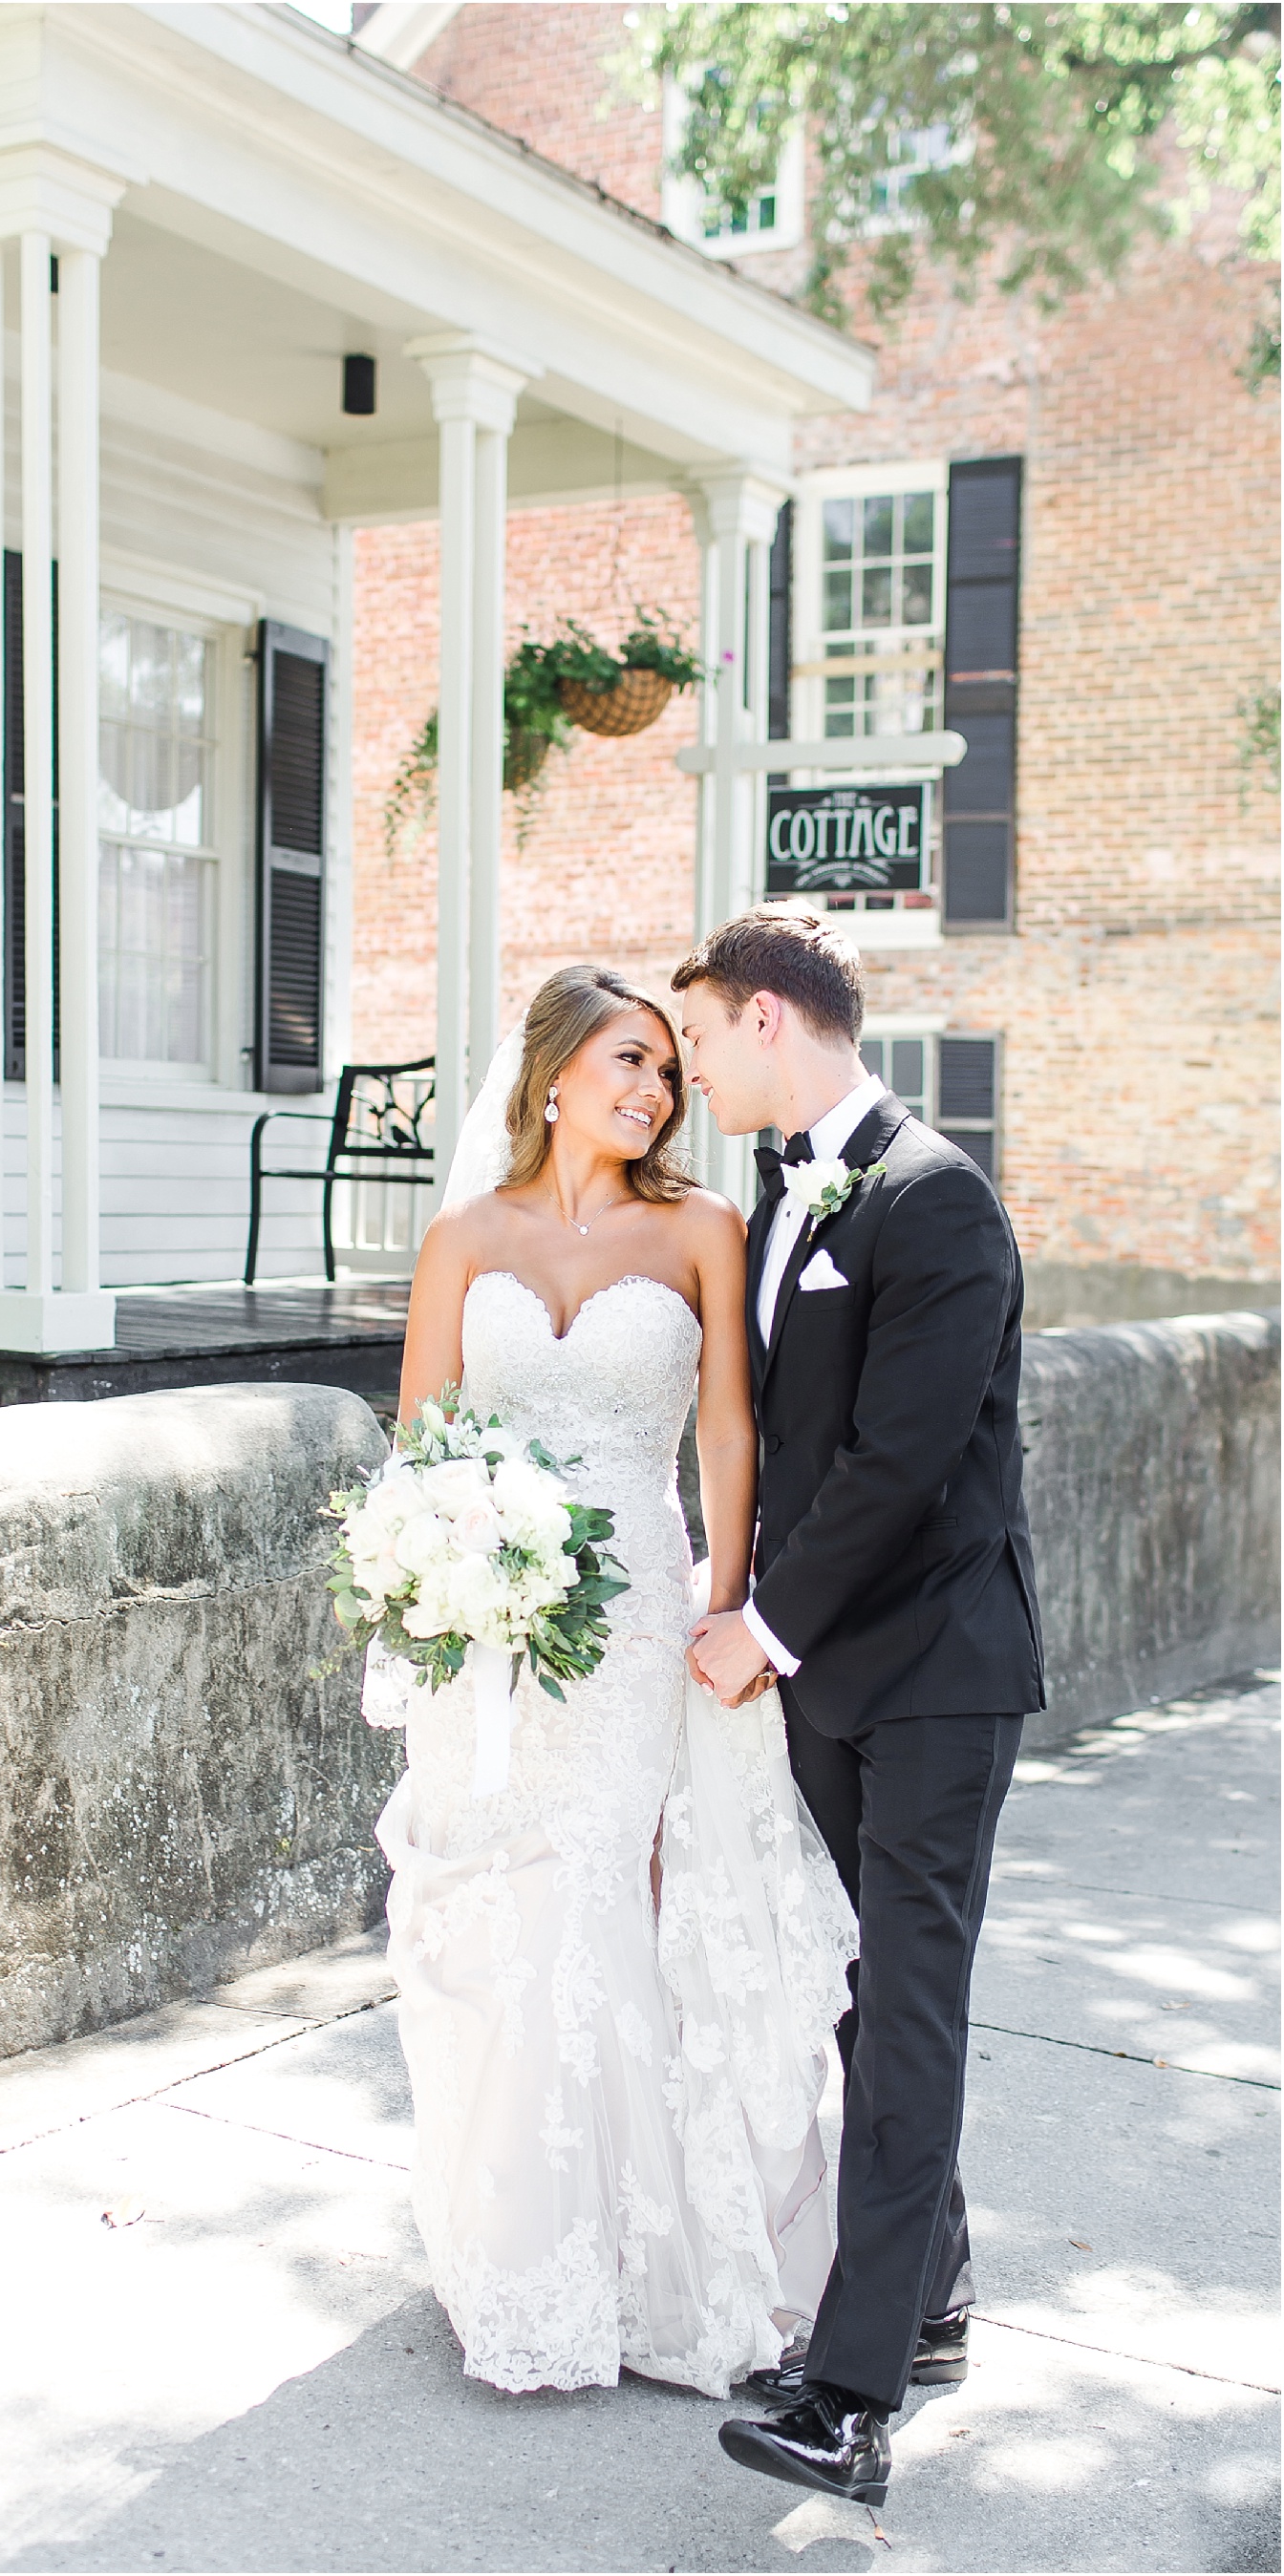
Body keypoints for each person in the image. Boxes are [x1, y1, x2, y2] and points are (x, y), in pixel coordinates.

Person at [374, 963, 857, 2403]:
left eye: (665, 1066)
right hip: (495, 1631)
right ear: (550, 1072)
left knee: (619, 1899)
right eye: (627, 1063)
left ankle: (659, 2262)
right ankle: (521, 2245)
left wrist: (728, 1613)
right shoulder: (464, 1238)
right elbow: (422, 1441)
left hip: (643, 1612)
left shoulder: (702, 1225)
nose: (653, 1091)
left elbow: (727, 1442)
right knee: (510, 1916)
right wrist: (447, 1577)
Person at [674, 907, 1044, 2506]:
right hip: (833, 1682)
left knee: (903, 2011)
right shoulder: (778, 1189)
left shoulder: (937, 1198)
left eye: (695, 1041)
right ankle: (933, 2299)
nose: (687, 1071)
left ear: (768, 1019)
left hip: (940, 1675)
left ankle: (852, 2393)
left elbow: (905, 1462)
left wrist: (764, 1624)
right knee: (858, 1995)